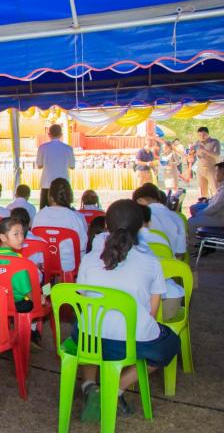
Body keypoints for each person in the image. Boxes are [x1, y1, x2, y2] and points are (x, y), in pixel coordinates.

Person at [75, 200, 180, 419]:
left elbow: (83, 302)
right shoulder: (151, 263)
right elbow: (152, 314)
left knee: (84, 326)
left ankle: (89, 385)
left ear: (106, 225)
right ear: (141, 226)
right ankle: (116, 388)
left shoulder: (89, 259)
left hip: (92, 341)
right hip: (132, 343)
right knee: (170, 342)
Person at [32, 178, 87, 274]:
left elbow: (35, 242)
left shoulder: (39, 215)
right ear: (69, 196)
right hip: (69, 266)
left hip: (44, 264)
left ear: (50, 196)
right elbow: (82, 245)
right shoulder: (75, 217)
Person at [133, 183, 186, 258]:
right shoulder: (177, 218)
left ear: (139, 200)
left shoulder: (138, 218)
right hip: (169, 263)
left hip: (144, 262)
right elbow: (180, 252)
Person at [0, 217, 34, 313]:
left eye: (22, 233)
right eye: (16, 234)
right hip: (18, 303)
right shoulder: (18, 259)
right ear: (3, 237)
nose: (21, 238)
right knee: (47, 288)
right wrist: (36, 300)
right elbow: (25, 289)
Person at [36, 124, 75, 209]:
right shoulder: (68, 148)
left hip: (47, 184)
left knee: (44, 211)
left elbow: (39, 165)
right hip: (63, 184)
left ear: (49, 134)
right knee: (65, 211)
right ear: (61, 134)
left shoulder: (42, 147)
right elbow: (72, 166)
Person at [188, 161, 224, 239]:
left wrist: (200, 214)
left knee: (191, 222)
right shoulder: (222, 186)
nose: (216, 174)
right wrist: (207, 201)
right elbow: (215, 202)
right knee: (195, 209)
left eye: (217, 172)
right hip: (217, 215)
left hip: (220, 218)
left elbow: (215, 208)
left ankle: (194, 243)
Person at [193, 126, 221, 198]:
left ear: (208, 134)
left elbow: (217, 155)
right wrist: (191, 154)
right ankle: (205, 203)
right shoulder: (197, 143)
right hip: (200, 169)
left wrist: (205, 150)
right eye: (199, 135)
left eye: (204, 134)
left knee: (216, 190)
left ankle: (217, 204)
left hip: (212, 168)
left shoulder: (215, 142)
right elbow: (193, 155)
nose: (202, 136)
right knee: (203, 192)